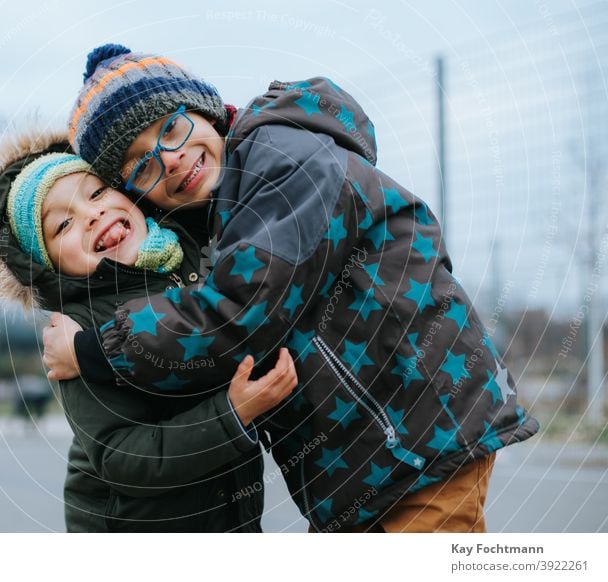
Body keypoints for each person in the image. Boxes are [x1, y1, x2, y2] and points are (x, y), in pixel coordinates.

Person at [44, 44, 540, 532]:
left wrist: (91, 350)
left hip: (417, 438)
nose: (169, 160)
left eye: (171, 127)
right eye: (141, 164)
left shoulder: (282, 160)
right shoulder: (223, 212)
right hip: (371, 462)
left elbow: (240, 312)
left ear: (206, 108)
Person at [0, 124, 297, 532]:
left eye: (98, 192)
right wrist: (232, 414)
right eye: (63, 225)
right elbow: (119, 458)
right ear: (47, 265)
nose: (92, 214)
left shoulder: (194, 258)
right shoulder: (77, 328)